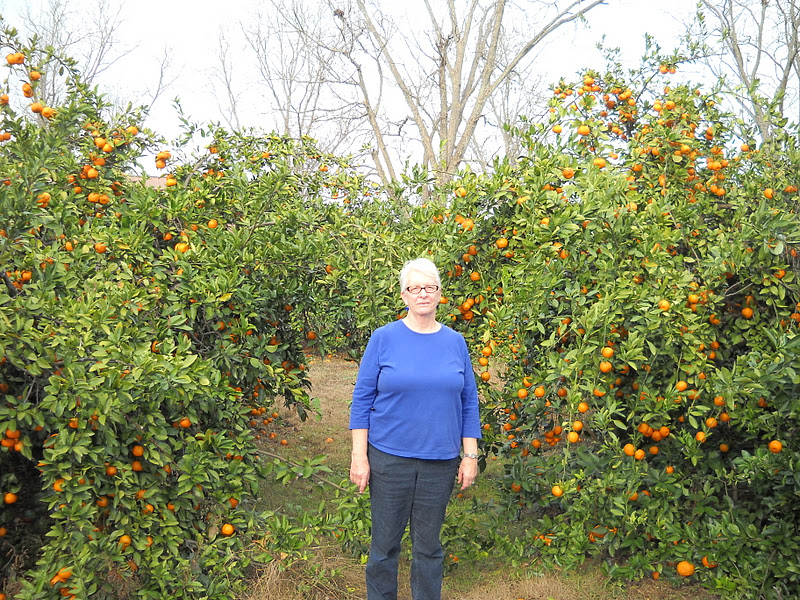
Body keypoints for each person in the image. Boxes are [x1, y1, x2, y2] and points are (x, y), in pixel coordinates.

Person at [349, 257, 482, 600]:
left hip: (440, 461)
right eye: (415, 288)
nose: (423, 293)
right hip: (389, 459)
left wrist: (470, 456)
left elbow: (468, 401)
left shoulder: (455, 342)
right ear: (404, 295)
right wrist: (359, 457)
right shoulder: (384, 339)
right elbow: (361, 401)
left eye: (429, 287)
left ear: (439, 294)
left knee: (428, 549)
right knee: (384, 547)